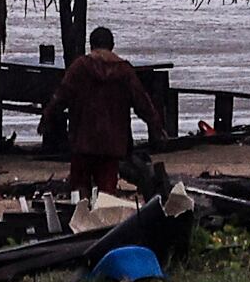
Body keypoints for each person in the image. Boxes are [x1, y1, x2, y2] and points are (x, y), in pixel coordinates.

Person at [45, 24, 167, 198]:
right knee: (106, 195)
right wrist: (156, 127)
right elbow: (143, 104)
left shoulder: (79, 67)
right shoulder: (124, 70)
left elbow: (61, 97)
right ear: (112, 45)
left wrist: (47, 119)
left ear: (91, 45)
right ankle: (104, 223)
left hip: (83, 141)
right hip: (112, 144)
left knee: (79, 194)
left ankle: (81, 223)